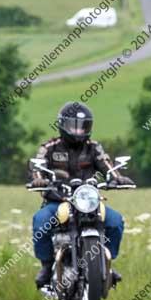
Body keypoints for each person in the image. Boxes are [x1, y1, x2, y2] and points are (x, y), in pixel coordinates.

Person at [29, 102, 134, 288]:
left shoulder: (93, 147)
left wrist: (117, 177)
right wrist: (39, 180)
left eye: (82, 127)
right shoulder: (50, 147)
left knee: (115, 221)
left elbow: (106, 165)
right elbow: (37, 166)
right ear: (62, 125)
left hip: (88, 201)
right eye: (73, 127)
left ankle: (105, 265)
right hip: (59, 200)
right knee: (41, 221)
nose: (78, 131)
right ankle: (46, 266)